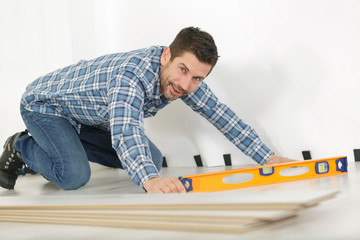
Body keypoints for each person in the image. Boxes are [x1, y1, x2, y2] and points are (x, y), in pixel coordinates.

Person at [0, 27, 294, 193]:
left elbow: (221, 115)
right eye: (183, 70)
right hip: (45, 106)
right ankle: (21, 145)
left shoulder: (184, 79)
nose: (186, 84)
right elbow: (126, 131)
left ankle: (64, 145)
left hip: (84, 116)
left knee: (151, 157)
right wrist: (150, 181)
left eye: (197, 78)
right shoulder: (132, 76)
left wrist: (267, 158)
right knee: (74, 175)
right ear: (167, 55)